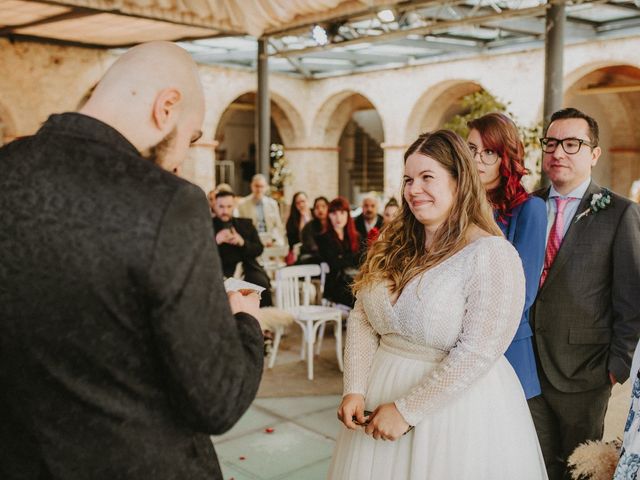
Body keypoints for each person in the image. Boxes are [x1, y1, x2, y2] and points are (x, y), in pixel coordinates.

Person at [0, 42, 264, 480]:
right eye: (191, 137)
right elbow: (218, 400)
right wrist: (244, 322)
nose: (181, 160)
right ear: (167, 107)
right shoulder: (169, 203)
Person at [328, 130, 547, 480]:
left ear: (459, 182)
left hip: (453, 413)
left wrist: (406, 411)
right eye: (408, 179)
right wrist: (354, 386)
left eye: (427, 177)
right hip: (378, 393)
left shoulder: (491, 254)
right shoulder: (391, 242)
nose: (413, 189)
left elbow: (478, 351)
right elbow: (363, 317)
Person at [530, 107, 640, 480]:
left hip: (586, 370)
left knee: (578, 470)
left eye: (572, 144)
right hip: (527, 365)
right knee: (535, 463)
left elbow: (631, 298)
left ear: (594, 154)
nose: (558, 152)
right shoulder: (526, 207)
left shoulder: (620, 213)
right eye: (551, 143)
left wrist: (616, 367)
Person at [467, 112, 546, 400]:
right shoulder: (452, 208)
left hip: (505, 346)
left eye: (489, 152)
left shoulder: (529, 210)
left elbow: (522, 294)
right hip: (449, 344)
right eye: (472, 149)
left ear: (506, 157)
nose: (477, 159)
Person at [212, 190, 273, 307]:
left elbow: (259, 249)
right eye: (221, 207)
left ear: (234, 205)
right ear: (215, 206)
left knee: (261, 283)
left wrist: (242, 242)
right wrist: (216, 241)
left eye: (229, 206)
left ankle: (262, 320)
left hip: (247, 268)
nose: (225, 211)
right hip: (220, 271)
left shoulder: (246, 224)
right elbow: (199, 254)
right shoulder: (207, 226)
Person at [316, 196, 361, 308]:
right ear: (329, 215)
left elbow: (362, 259)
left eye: (342, 213)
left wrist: (343, 258)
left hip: (355, 281)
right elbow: (334, 263)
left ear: (347, 215)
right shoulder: (323, 238)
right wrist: (352, 258)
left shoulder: (356, 236)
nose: (338, 217)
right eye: (334, 213)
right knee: (361, 300)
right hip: (336, 285)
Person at [237, 173, 285, 246]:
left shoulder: (272, 204)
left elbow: (278, 225)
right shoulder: (242, 204)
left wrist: (273, 239)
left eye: (261, 186)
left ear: (266, 187)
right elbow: (241, 228)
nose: (259, 189)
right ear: (252, 186)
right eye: (256, 186)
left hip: (270, 239)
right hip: (252, 241)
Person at [298, 196, 329, 264]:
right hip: (312, 259)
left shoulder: (333, 225)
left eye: (323, 206)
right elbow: (311, 247)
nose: (320, 209)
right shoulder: (309, 226)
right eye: (317, 207)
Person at [284, 191, 312, 264]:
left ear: (307, 201)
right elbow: (295, 242)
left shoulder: (314, 214)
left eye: (303, 201)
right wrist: (302, 218)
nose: (301, 205)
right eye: (298, 203)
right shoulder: (291, 222)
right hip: (300, 251)